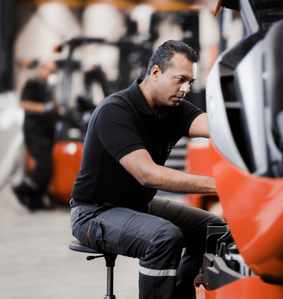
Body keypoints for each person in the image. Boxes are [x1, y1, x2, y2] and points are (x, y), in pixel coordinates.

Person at [69, 40, 224, 299]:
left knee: (214, 229)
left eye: (190, 82)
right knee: (164, 237)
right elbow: (147, 174)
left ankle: (181, 294)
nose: (186, 89)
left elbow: (217, 126)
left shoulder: (173, 108)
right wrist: (221, 184)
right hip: (94, 213)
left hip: (138, 206)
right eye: (180, 79)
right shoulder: (115, 111)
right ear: (155, 72)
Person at [13, 60, 58, 211]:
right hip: (34, 132)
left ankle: (35, 201)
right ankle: (21, 189)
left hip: (45, 133)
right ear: (40, 68)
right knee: (43, 165)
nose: (49, 73)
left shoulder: (46, 88)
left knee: (49, 167)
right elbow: (24, 104)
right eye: (47, 69)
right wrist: (45, 107)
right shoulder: (32, 84)